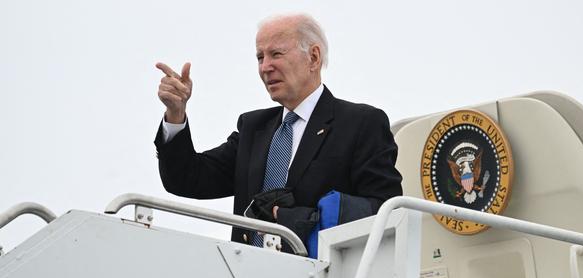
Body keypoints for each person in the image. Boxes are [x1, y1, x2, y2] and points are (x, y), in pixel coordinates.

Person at [154, 13, 402, 254]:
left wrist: (292, 220)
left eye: (276, 54)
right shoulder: (253, 128)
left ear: (313, 58)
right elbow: (186, 178)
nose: (265, 67)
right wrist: (175, 114)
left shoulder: (360, 123)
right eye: (260, 57)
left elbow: (385, 212)